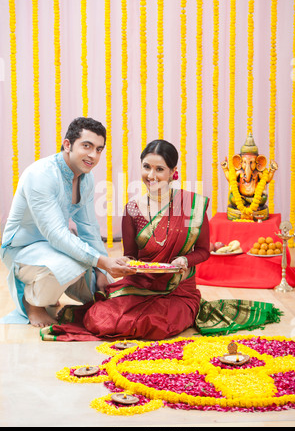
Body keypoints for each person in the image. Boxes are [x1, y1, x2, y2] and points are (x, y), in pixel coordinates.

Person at [45, 139, 210, 341]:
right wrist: (126, 264)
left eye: (160, 169)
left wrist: (185, 261)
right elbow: (131, 254)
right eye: (146, 167)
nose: (151, 175)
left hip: (178, 288)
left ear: (172, 171)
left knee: (157, 324)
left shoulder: (190, 205)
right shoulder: (133, 209)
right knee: (99, 319)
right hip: (140, 284)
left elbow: (203, 250)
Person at [0, 117, 133, 327]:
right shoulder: (41, 175)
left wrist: (102, 271)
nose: (93, 155)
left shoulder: (86, 178)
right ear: (67, 144)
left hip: (56, 249)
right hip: (21, 249)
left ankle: (49, 295)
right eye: (87, 146)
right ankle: (32, 303)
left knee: (106, 290)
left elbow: (89, 230)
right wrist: (100, 261)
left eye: (99, 149)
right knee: (73, 264)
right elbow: (55, 234)